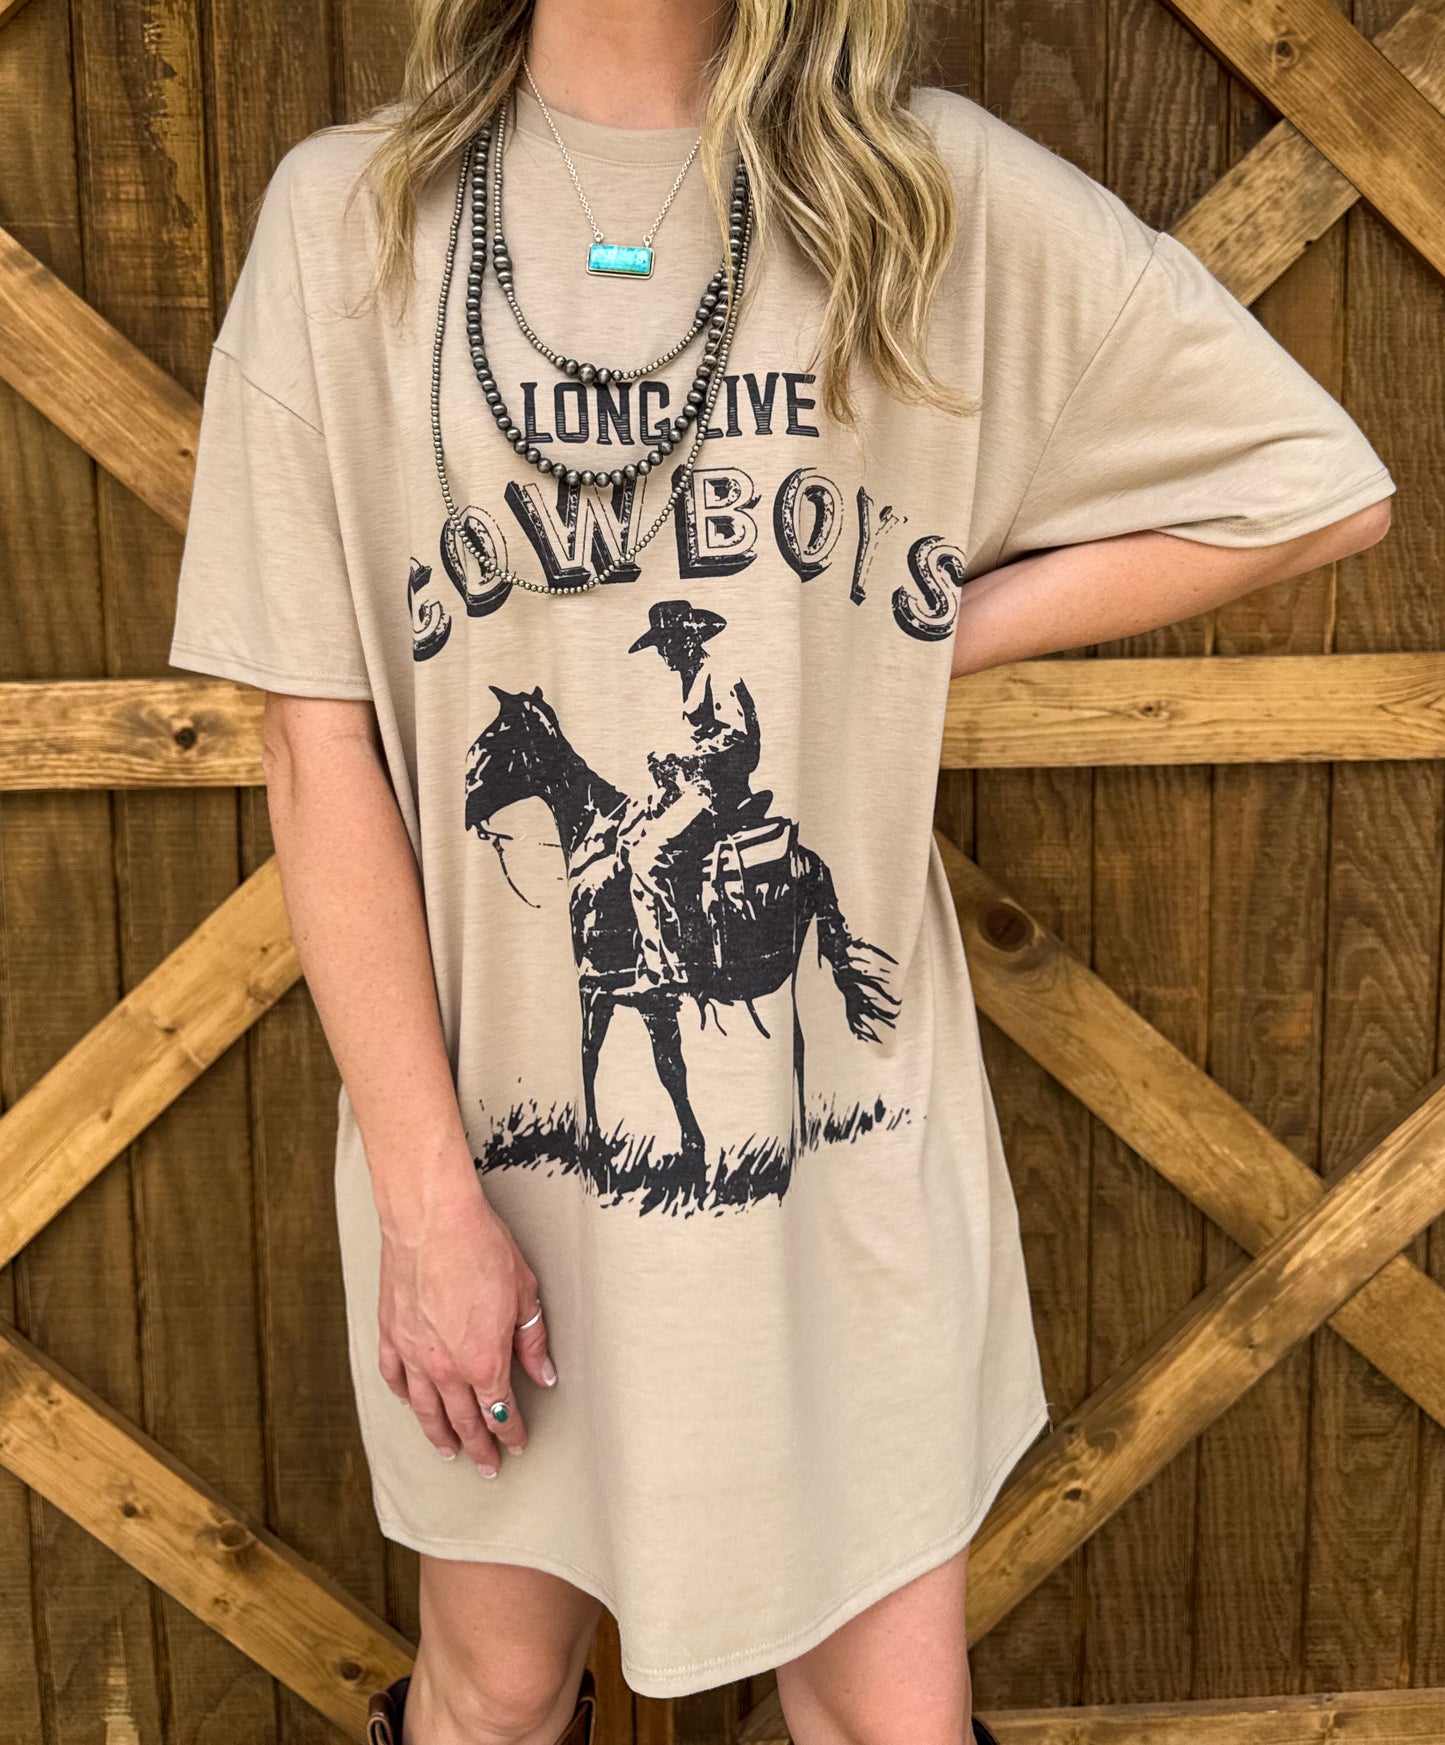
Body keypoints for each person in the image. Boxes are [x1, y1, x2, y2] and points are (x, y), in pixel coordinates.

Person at [166, 0, 1395, 1740]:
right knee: (493, 1693)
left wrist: (927, 631)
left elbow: (1313, 488)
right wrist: (434, 1207)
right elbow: (317, 748)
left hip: (846, 1177)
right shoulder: (352, 222)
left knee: (886, 1718)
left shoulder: (916, 194)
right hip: (496, 1176)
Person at [623, 598, 762, 985]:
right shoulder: (694, 677)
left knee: (645, 857)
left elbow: (740, 738)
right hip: (697, 790)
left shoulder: (720, 675)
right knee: (627, 834)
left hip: (719, 795)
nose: (663, 652)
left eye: (667, 642)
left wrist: (685, 758)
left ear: (690, 638)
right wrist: (669, 767)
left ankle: (665, 969)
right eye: (660, 645)